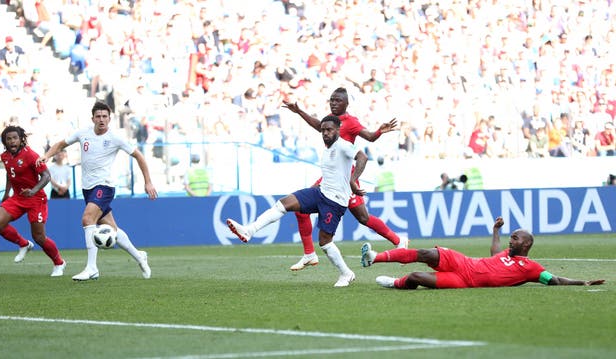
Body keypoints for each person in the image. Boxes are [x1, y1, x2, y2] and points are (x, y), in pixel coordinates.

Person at [226, 115, 368, 287]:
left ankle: (346, 274)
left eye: (329, 130)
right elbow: (317, 125)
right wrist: (299, 111)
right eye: (323, 130)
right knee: (284, 203)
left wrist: (353, 180)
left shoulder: (344, 146)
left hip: (335, 201)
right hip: (321, 192)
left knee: (324, 242)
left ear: (338, 130)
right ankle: (249, 230)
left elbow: (362, 157)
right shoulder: (328, 146)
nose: (325, 133)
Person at [282, 87, 405, 272]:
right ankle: (309, 254)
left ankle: (399, 240)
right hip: (330, 178)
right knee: (300, 210)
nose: (333, 103)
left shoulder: (351, 122)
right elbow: (318, 125)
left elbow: (369, 138)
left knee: (363, 217)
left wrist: (379, 131)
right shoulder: (330, 122)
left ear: (346, 104)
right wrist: (299, 111)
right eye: (331, 100)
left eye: (338, 100)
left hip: (346, 178)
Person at [39, 101, 158, 281]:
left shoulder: (115, 138)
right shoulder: (83, 133)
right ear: (92, 118)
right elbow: (61, 144)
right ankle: (139, 256)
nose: (101, 120)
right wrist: (46, 156)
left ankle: (92, 268)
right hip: (88, 188)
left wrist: (148, 182)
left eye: (105, 116)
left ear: (109, 119)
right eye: (98, 116)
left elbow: (139, 155)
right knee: (112, 230)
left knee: (87, 219)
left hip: (105, 186)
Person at [360, 217, 605, 290]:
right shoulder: (505, 254)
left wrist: (582, 281)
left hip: (465, 281)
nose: (512, 238)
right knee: (425, 252)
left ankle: (397, 284)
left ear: (526, 245)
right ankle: (375, 257)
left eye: (515, 237)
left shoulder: (531, 268)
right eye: (512, 236)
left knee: (415, 277)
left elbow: (555, 280)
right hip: (463, 262)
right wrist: (495, 231)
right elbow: (495, 251)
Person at [0, 125, 66, 276]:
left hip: (35, 198)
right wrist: (7, 193)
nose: (12, 141)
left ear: (21, 139)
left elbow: (46, 176)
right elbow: (10, 174)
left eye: (15, 138)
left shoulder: (31, 155)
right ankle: (23, 244)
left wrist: (33, 190)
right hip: (18, 197)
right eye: (9, 139)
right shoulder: (5, 156)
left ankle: (59, 263)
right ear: (5, 142)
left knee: (38, 237)